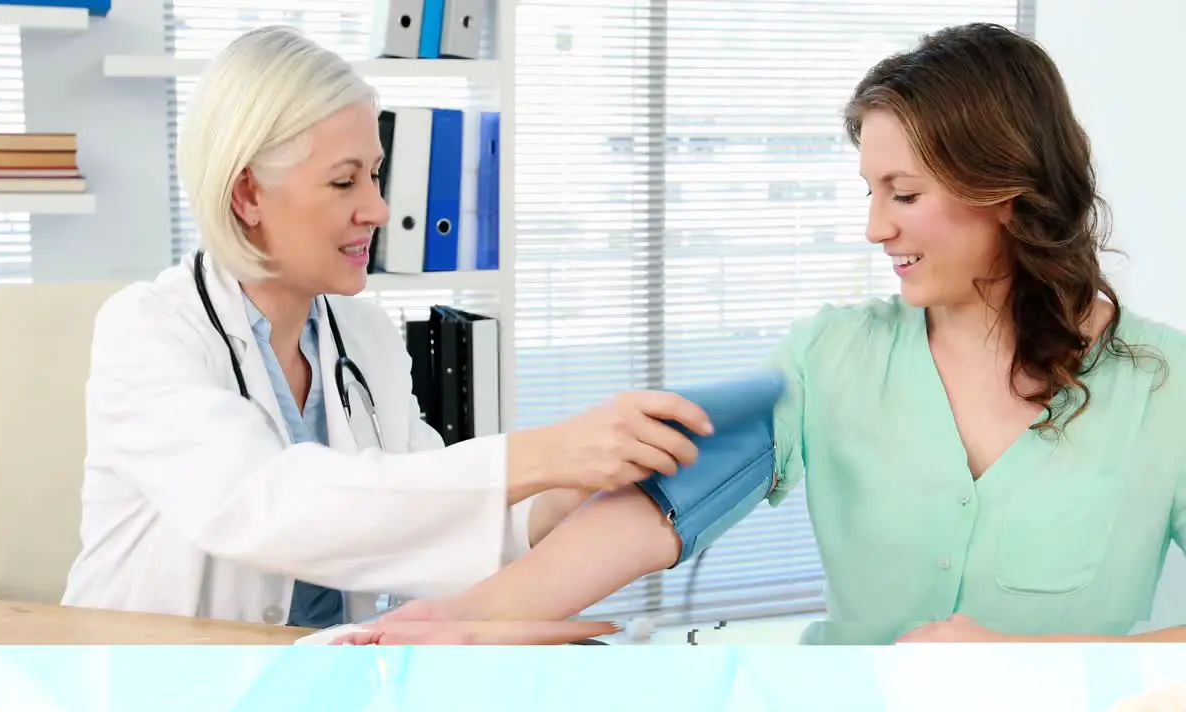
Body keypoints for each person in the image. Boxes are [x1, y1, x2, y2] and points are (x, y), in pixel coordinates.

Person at [356, 22, 1186, 645]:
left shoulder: (1165, 385)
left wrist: (1030, 667)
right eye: (869, 191)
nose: (874, 229)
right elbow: (658, 509)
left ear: (1004, 185)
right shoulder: (831, 358)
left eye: (902, 194)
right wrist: (466, 621)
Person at [59, 26, 714, 629]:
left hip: (320, 682)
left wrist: (566, 491)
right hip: (149, 687)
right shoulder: (146, 333)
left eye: (374, 173)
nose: (376, 208)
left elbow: (429, 505)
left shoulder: (363, 336)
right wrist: (545, 452)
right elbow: (265, 507)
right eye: (343, 182)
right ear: (248, 195)